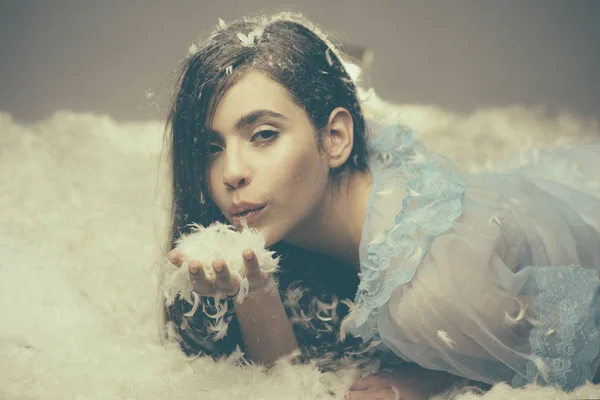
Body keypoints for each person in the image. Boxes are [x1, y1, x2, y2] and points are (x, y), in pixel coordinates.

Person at [159, 12, 600, 399]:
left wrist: (435, 380)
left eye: (264, 135)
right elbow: (286, 381)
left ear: (336, 138)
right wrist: (252, 288)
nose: (230, 172)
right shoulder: (319, 220)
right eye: (211, 147)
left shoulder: (428, 292)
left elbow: (579, 344)